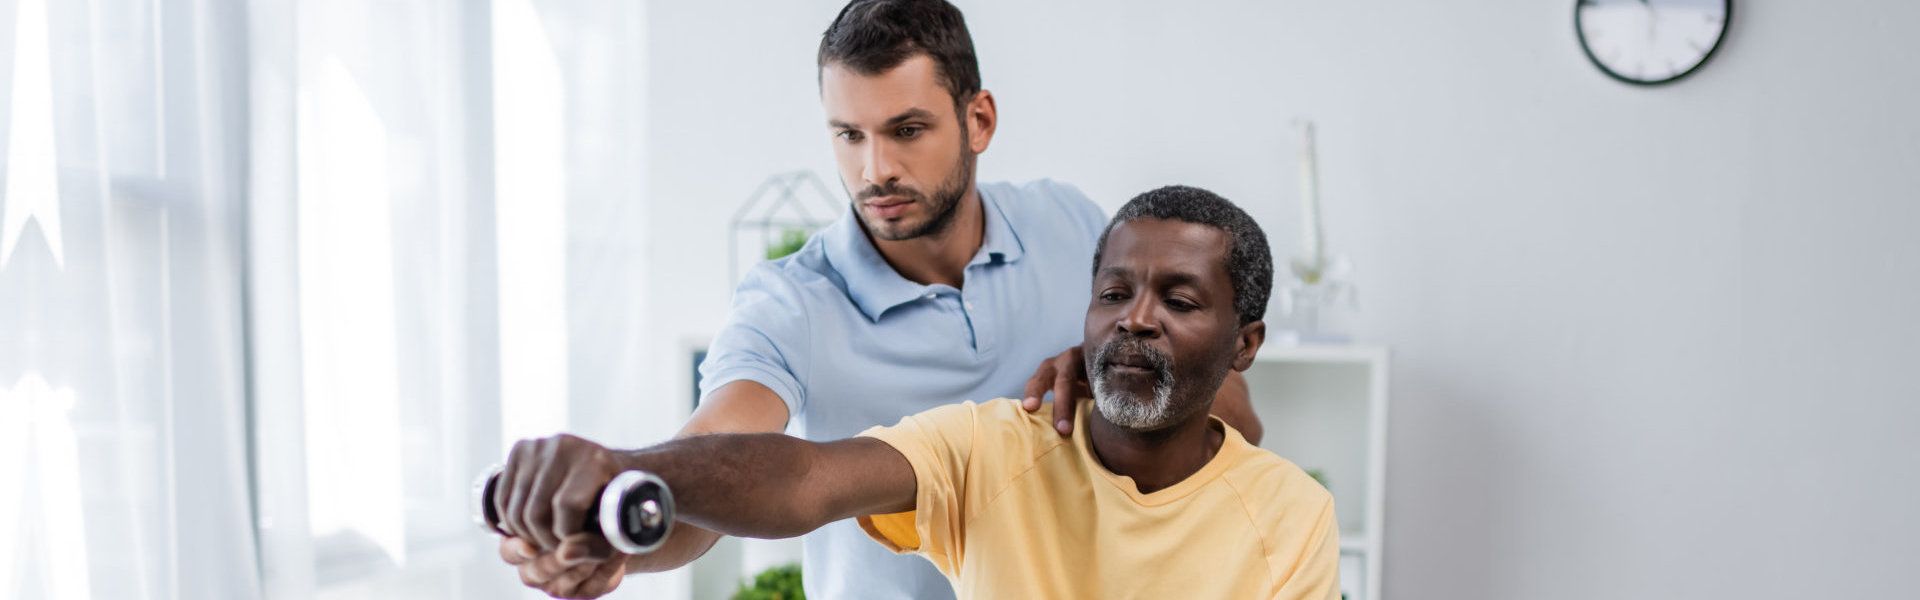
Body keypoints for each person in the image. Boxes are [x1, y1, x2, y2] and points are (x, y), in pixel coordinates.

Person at [494, 1, 1263, 597]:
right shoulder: (789, 301)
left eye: (906, 130)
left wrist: (1122, 374)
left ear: (979, 120)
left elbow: (1235, 420)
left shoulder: (1070, 224)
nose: (875, 170)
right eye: (849, 136)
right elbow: (708, 462)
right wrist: (611, 528)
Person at [494, 186, 1339, 599]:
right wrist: (623, 472)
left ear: (1246, 344)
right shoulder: (991, 445)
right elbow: (802, 479)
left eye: (1179, 302)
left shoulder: (1293, 517)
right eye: (1113, 295)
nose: (1135, 322)